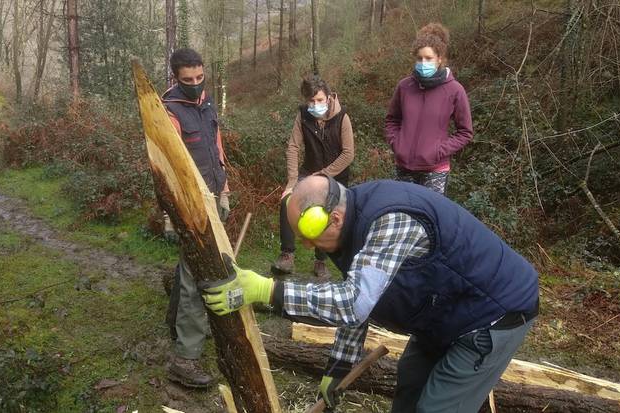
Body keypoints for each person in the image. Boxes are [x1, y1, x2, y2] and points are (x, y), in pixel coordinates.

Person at [202, 176, 539, 413]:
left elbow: (352, 302)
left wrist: (267, 290)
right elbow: (362, 295)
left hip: (492, 313)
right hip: (443, 311)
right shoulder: (349, 225)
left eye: (308, 234)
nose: (305, 246)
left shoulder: (391, 219)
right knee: (409, 386)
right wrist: (338, 369)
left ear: (333, 216)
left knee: (437, 407)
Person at [161, 48, 230, 389]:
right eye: (187, 80)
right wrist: (171, 215)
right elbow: (167, 165)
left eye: (199, 77)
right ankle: (185, 359)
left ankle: (176, 324)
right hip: (189, 204)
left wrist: (226, 188)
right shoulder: (169, 111)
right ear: (175, 78)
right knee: (194, 275)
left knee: (191, 267)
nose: (194, 84)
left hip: (214, 196)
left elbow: (216, 148)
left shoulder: (206, 101)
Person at [271, 75, 354, 279]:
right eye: (311, 101)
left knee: (327, 212)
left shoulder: (342, 117)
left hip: (335, 177)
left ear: (328, 97)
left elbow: (348, 154)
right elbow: (293, 147)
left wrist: (324, 174)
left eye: (319, 100)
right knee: (287, 201)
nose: (315, 104)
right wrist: (292, 182)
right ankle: (287, 255)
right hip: (308, 171)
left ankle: (320, 261)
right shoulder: (303, 115)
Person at [385, 23, 473, 195]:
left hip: (435, 170)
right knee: (405, 216)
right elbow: (392, 120)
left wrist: (438, 151)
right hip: (404, 167)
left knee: (429, 217)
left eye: (428, 58)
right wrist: (397, 144)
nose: (423, 62)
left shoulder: (455, 90)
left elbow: (465, 132)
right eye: (419, 58)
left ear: (439, 58)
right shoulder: (405, 86)